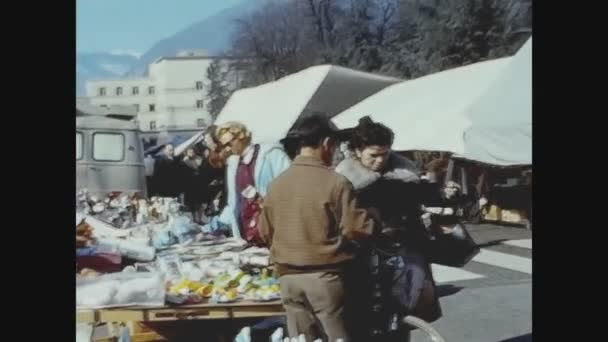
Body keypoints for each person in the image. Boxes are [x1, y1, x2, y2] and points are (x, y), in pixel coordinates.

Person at [259, 115, 378, 342]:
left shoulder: (276, 185)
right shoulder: (335, 182)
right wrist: (374, 218)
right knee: (337, 337)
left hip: (288, 279)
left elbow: (265, 231)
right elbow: (357, 229)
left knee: (301, 338)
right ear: (326, 144)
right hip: (324, 278)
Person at [334, 116, 443, 341]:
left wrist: (441, 194)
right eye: (373, 155)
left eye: (385, 154)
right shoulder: (343, 180)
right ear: (356, 151)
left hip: (403, 254)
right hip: (362, 257)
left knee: (402, 318)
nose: (380, 161)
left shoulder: (404, 174)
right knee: (365, 320)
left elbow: (417, 205)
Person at [203, 121, 291, 243]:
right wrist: (215, 226)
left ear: (241, 137)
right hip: (245, 230)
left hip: (273, 227)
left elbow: (290, 189)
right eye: (224, 145)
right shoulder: (234, 164)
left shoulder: (272, 155)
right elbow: (234, 202)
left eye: (230, 143)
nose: (228, 148)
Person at [181, 147, 206, 223]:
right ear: (187, 152)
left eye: (192, 152)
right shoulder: (185, 161)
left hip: (198, 183)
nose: (191, 153)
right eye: (190, 152)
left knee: (200, 203)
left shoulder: (199, 159)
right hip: (189, 184)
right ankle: (195, 219)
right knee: (192, 203)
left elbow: (199, 168)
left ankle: (200, 219)